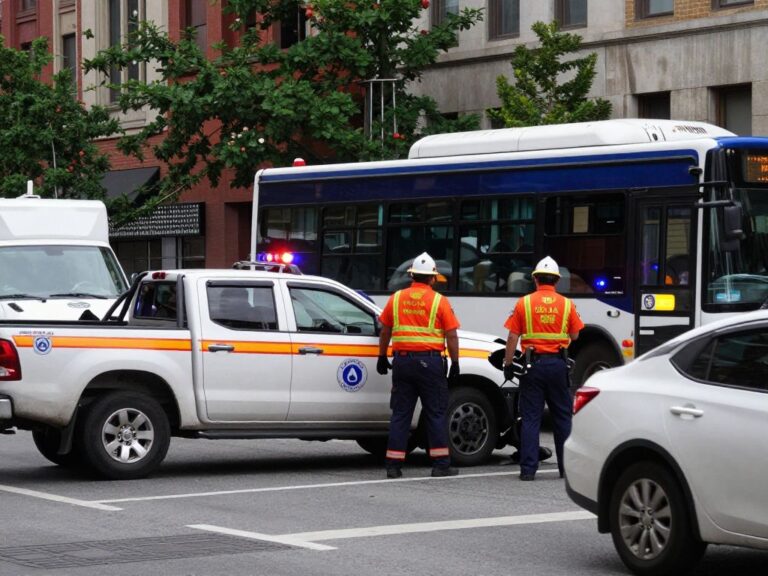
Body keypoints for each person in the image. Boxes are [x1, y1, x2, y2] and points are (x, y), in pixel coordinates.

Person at [377, 252, 461, 479]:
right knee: (435, 413)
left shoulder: (396, 298)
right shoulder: (439, 301)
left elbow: (385, 330)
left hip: (402, 362)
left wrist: (382, 356)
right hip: (430, 363)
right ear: (432, 278)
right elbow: (451, 335)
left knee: (401, 414)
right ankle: (440, 464)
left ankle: (393, 465)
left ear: (412, 275)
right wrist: (455, 363)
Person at [502, 256, 584, 481]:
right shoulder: (566, 304)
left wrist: (508, 365)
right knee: (563, 417)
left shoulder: (524, 303)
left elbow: (512, 336)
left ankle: (528, 470)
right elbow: (575, 335)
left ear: (536, 279)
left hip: (532, 366)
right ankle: (566, 470)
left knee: (530, 418)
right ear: (556, 281)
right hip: (558, 365)